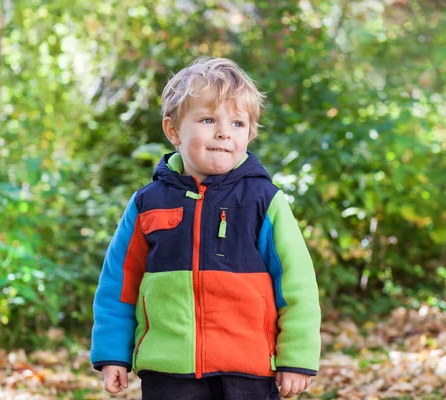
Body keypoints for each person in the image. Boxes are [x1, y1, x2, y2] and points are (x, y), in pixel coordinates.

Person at [90, 57, 321, 400]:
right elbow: (118, 283)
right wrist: (113, 354)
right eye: (208, 119)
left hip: (249, 367)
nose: (224, 132)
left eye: (238, 123)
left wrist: (297, 357)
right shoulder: (147, 203)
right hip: (169, 370)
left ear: (250, 133)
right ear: (173, 131)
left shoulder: (263, 200)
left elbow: (297, 283)